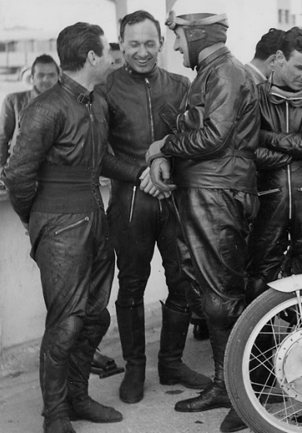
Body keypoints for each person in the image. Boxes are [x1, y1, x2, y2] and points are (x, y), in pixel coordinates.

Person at [1, 22, 122, 433]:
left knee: (94, 317)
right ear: (91, 57)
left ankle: (78, 397)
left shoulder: (97, 101)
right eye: (107, 52)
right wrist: (36, 220)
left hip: (95, 218)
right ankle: (54, 414)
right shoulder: (45, 108)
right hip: (60, 225)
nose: (112, 59)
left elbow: (100, 160)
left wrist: (146, 170)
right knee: (66, 324)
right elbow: (18, 175)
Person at [146, 1, 261, 431]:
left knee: (223, 298)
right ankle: (225, 384)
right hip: (207, 193)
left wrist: (163, 147)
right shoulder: (213, 73)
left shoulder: (225, 73)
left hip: (217, 194)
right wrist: (166, 153)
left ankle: (243, 393)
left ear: (195, 33)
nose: (175, 47)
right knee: (213, 297)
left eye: (177, 36)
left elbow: (213, 137)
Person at [95, 9, 210, 405]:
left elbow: (196, 141)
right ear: (121, 45)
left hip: (175, 195)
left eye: (149, 43)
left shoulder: (181, 85)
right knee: (131, 285)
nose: (142, 52)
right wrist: (142, 173)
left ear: (161, 44)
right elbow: (98, 155)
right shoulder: (106, 89)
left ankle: (171, 363)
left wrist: (166, 169)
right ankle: (135, 368)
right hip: (130, 202)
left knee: (182, 281)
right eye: (134, 45)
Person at [247, 26, 302, 313]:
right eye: (300, 67)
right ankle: (258, 341)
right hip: (267, 198)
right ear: (278, 58)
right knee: (259, 274)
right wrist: (297, 154)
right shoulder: (254, 96)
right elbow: (247, 151)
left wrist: (270, 138)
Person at [0, 54, 59, 167]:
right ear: (32, 78)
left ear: (58, 78)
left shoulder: (68, 104)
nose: (46, 80)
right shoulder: (13, 101)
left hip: (55, 171)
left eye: (51, 75)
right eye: (41, 75)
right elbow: (2, 139)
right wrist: (2, 169)